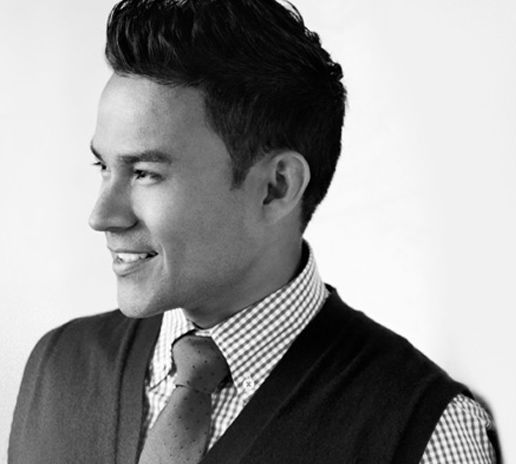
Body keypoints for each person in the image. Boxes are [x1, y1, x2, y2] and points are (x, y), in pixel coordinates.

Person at [9, 0, 499, 463]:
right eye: (103, 166)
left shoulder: (426, 432)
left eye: (145, 173)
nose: (102, 215)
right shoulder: (57, 366)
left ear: (275, 187)